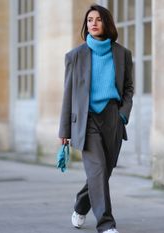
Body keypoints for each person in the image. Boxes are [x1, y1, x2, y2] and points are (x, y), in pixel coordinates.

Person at [58, 4, 134, 233]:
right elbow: (68, 94)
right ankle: (106, 224)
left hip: (112, 118)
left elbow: (128, 88)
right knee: (98, 170)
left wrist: (123, 114)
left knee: (103, 172)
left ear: (106, 23)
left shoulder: (122, 54)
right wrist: (64, 131)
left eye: (98, 19)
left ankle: (81, 205)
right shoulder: (75, 56)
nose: (93, 23)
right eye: (89, 19)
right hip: (86, 121)